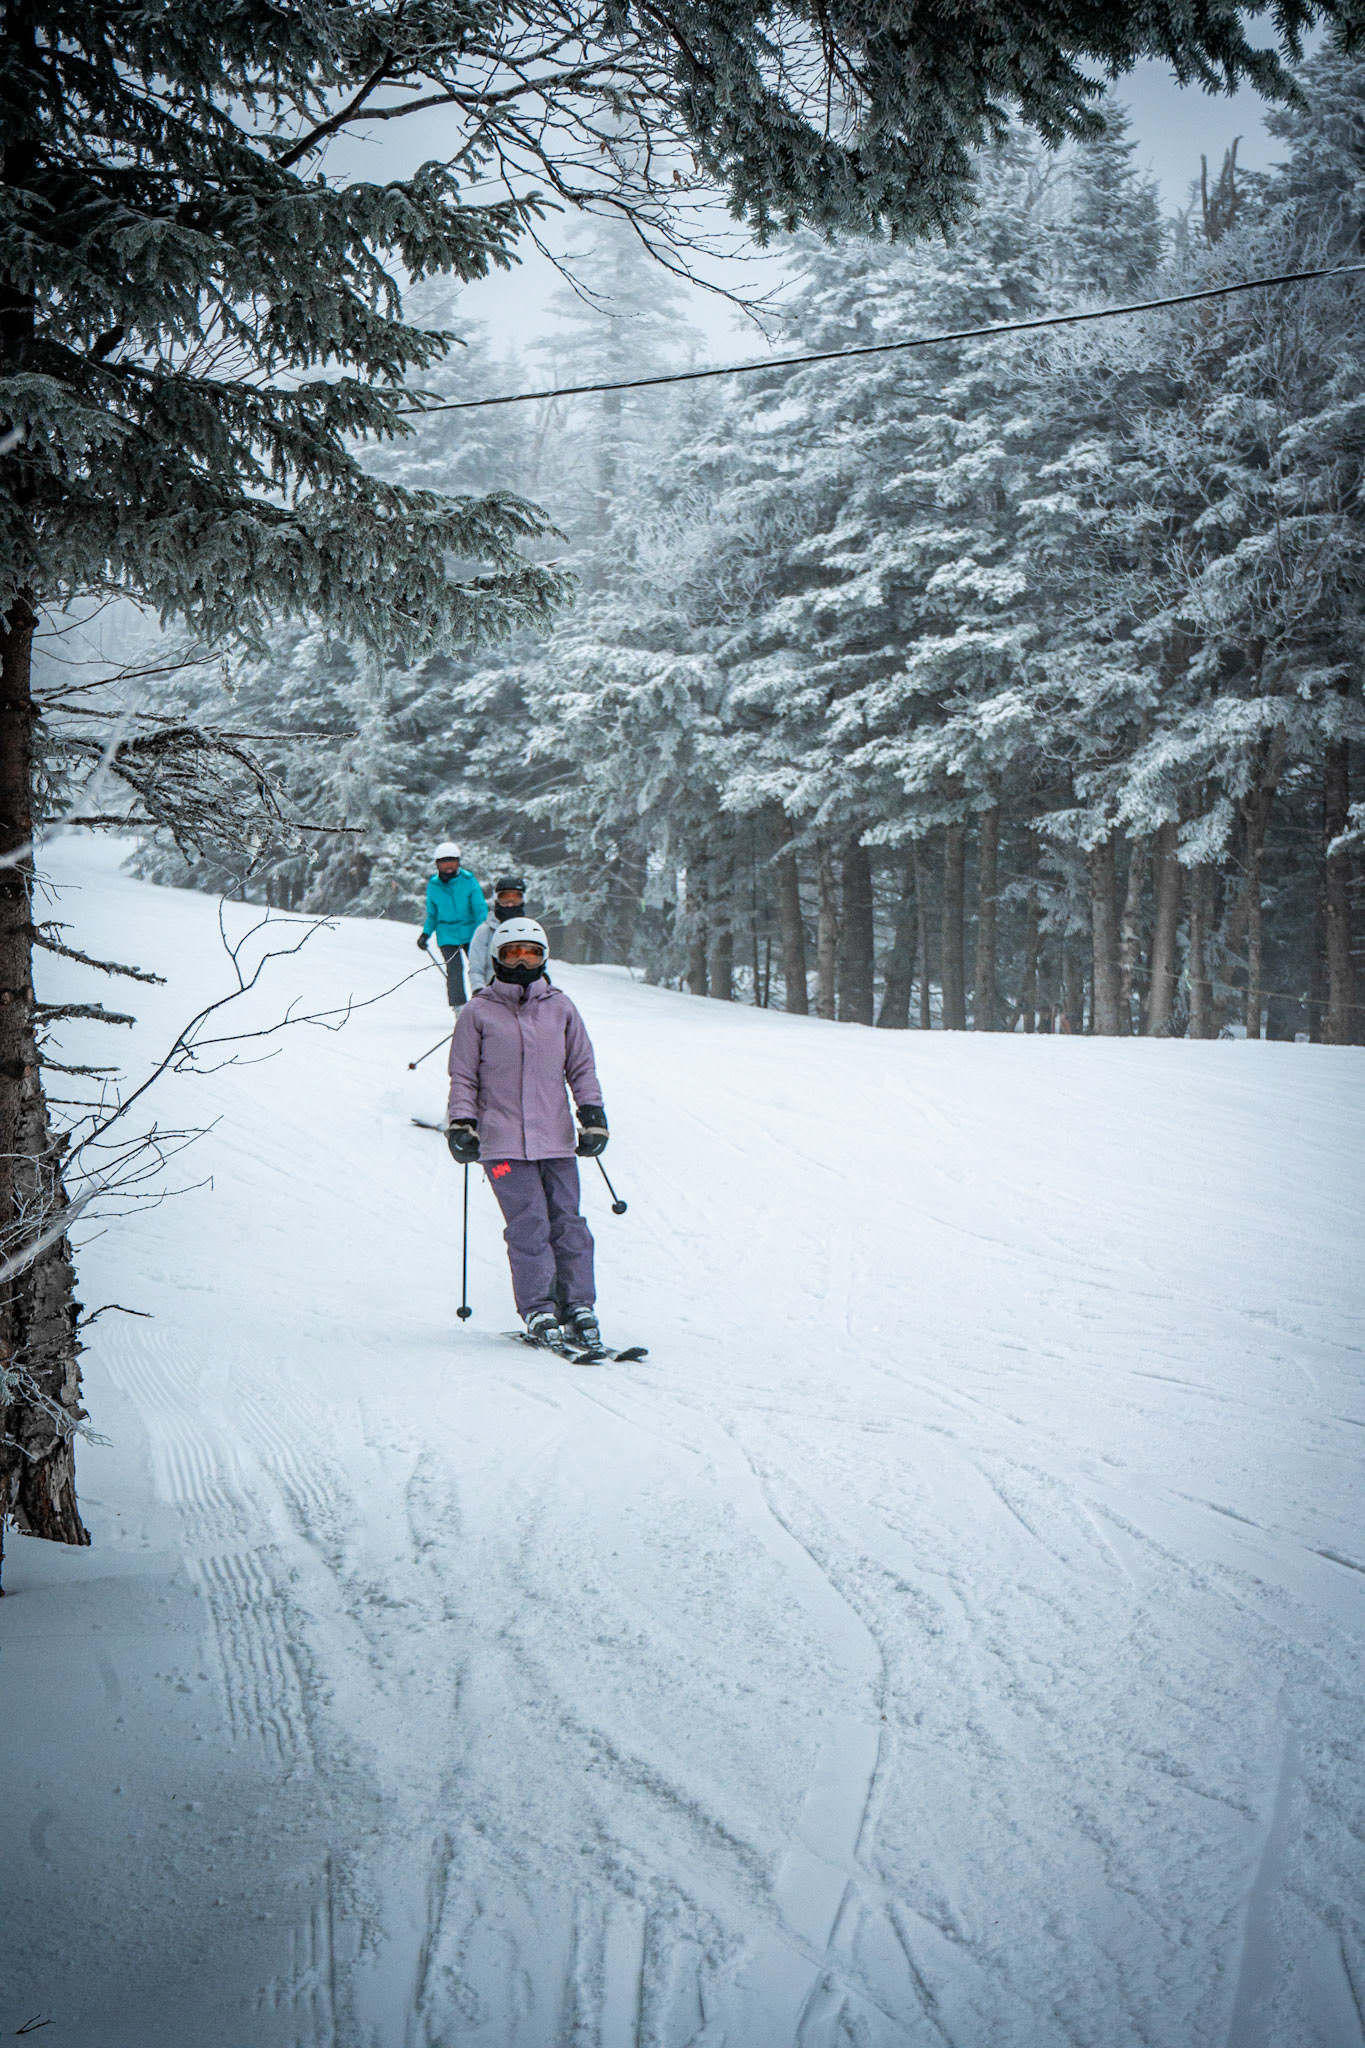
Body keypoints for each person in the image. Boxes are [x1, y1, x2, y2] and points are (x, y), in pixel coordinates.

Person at [445, 918, 611, 1357]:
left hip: (555, 1139)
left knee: (569, 1224)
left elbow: (581, 1067)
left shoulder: (561, 1008)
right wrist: (462, 1122)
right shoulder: (478, 1012)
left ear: (544, 957)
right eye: (513, 953)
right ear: (497, 957)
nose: (523, 961)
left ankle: (578, 1305)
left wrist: (592, 1114)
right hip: (500, 1144)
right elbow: (463, 1076)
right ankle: (539, 1308)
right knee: (529, 1223)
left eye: (532, 953)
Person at [417, 841, 488, 1012]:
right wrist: (425, 934)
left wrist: (482, 932)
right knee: (454, 971)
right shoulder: (434, 886)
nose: (449, 867)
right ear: (437, 865)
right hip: (447, 934)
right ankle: (459, 1008)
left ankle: (486, 1002)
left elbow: (480, 909)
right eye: (444, 863)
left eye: (453, 862)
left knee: (479, 967)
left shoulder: (468, 881)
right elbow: (433, 914)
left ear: (458, 862)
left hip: (471, 932)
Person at [467, 876, 528, 992]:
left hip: (524, 996)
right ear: (497, 901)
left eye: (515, 899)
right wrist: (479, 990)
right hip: (493, 994)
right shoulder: (485, 931)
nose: (510, 905)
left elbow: (537, 967)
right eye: (505, 899)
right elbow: (476, 969)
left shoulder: (529, 931)